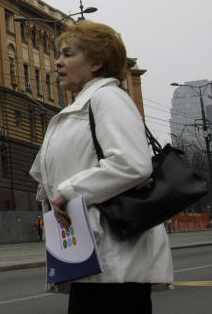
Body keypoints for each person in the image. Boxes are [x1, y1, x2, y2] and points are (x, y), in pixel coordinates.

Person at [29, 20, 172, 313]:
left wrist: (67, 191)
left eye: (68, 54)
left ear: (96, 63)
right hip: (91, 256)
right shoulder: (81, 105)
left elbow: (132, 164)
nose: (57, 62)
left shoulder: (107, 98)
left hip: (116, 259)